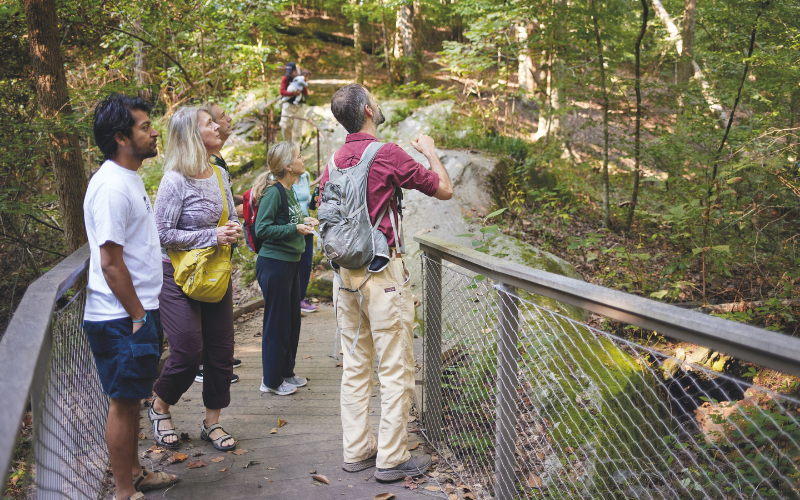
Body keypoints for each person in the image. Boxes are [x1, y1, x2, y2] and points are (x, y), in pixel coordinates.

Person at [319, 84, 453, 481]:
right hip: (383, 275)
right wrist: (429, 151)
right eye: (374, 100)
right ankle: (392, 458)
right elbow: (443, 190)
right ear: (367, 110)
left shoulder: (334, 159)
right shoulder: (387, 153)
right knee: (396, 367)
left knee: (356, 365)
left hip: (345, 278)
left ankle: (357, 449)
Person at [83, 93, 179, 500]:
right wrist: (139, 316)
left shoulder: (129, 178)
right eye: (144, 126)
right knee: (123, 404)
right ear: (122, 137)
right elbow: (110, 262)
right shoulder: (110, 187)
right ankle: (125, 491)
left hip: (136, 312)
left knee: (132, 398)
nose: (154, 131)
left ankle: (137, 473)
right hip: (122, 316)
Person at [150, 106, 242, 452]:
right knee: (188, 350)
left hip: (213, 272)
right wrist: (212, 236)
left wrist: (232, 228)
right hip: (175, 274)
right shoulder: (175, 179)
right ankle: (160, 406)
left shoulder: (219, 173)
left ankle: (212, 422)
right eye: (209, 123)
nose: (217, 126)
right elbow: (161, 233)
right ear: (192, 134)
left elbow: (230, 216)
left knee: (220, 351)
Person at [253, 142, 318, 395]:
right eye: (299, 156)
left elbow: (287, 220)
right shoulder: (273, 192)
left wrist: (303, 221)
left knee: (291, 321)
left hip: (291, 262)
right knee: (277, 323)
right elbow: (262, 229)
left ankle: (286, 373)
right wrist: (294, 228)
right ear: (288, 166)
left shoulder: (290, 190)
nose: (303, 159)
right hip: (275, 264)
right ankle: (270, 381)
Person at [195, 102, 243, 385]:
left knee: (220, 315)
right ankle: (204, 363)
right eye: (219, 117)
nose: (225, 120)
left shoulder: (219, 164)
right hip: (199, 259)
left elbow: (227, 200)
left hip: (222, 250)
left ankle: (216, 359)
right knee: (202, 309)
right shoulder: (186, 174)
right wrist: (213, 235)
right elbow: (165, 232)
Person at [292, 169, 319, 314]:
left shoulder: (305, 176)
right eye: (298, 156)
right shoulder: (277, 177)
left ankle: (301, 299)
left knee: (306, 263)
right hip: (292, 226)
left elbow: (308, 203)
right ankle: (292, 302)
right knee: (293, 264)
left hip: (307, 225)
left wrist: (314, 201)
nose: (303, 159)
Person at [279, 62, 308, 144]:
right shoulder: (285, 78)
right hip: (288, 106)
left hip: (298, 107)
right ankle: (287, 146)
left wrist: (302, 84)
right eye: (288, 71)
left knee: (297, 129)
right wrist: (293, 94)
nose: (289, 73)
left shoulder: (300, 78)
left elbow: (305, 92)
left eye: (291, 71)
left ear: (295, 70)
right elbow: (282, 91)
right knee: (285, 126)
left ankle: (296, 150)